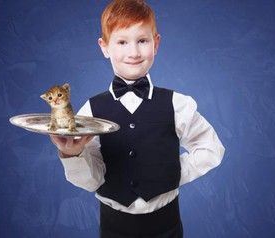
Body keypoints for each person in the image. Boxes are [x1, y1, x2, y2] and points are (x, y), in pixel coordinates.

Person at [51, 0, 225, 237]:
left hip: (167, 225)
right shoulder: (90, 110)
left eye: (142, 41)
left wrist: (173, 173)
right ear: (104, 47)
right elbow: (91, 181)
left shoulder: (178, 104)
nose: (133, 52)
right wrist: (72, 154)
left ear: (156, 44)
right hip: (113, 227)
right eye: (122, 42)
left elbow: (211, 148)